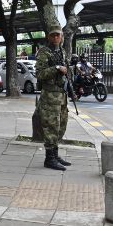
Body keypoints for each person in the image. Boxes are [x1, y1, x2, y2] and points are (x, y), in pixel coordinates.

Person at [36, 25, 72, 171]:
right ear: (49, 37)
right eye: (53, 35)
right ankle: (49, 159)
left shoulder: (62, 51)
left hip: (61, 95)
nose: (56, 37)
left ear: (62, 36)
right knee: (51, 127)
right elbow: (39, 74)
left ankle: (55, 155)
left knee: (61, 125)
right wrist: (56, 68)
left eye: (58, 35)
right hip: (50, 96)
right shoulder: (44, 52)